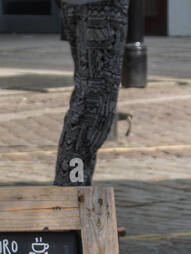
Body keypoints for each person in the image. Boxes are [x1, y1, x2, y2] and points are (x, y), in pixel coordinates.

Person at [53, 0, 128, 189]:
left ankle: (71, 187)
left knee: (87, 99)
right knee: (93, 105)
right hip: (101, 8)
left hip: (78, 6)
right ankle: (71, 189)